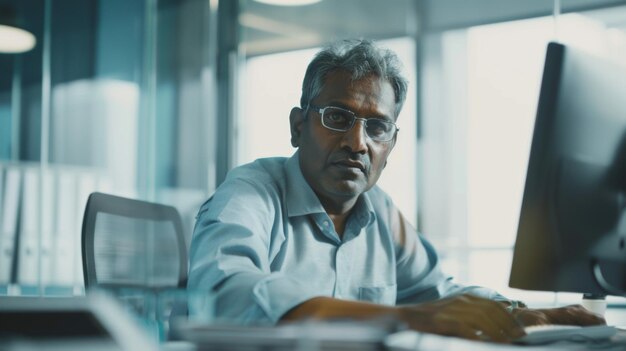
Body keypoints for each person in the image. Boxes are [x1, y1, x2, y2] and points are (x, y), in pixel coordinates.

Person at [187, 39, 604, 343]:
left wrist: (532, 314)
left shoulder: (378, 211)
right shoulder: (252, 191)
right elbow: (223, 293)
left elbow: (440, 294)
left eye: (377, 127)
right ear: (298, 127)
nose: (357, 142)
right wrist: (409, 318)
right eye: (337, 116)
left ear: (391, 144)